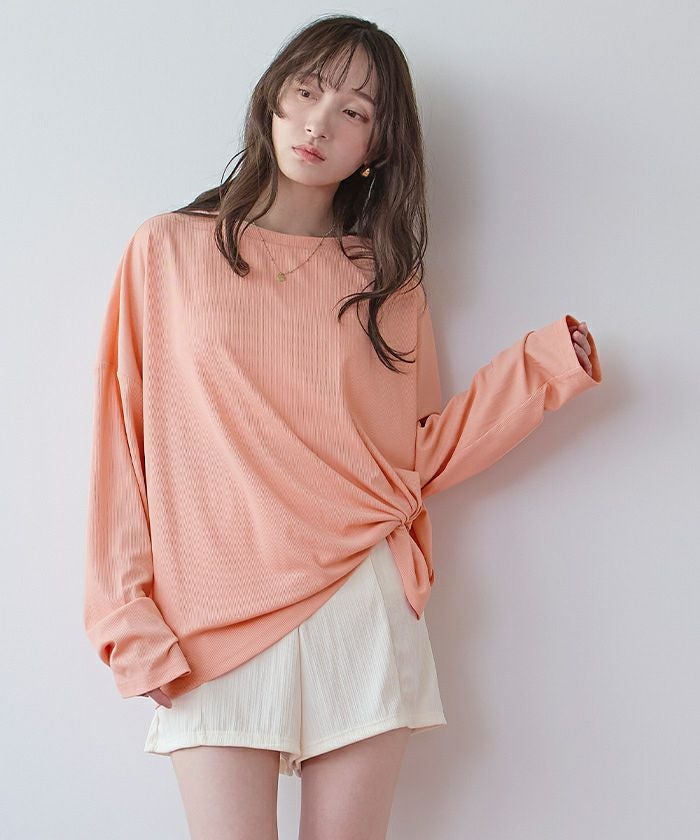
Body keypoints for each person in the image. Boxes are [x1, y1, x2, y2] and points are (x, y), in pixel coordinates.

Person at [83, 13, 603, 840]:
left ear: (377, 146)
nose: (320, 123)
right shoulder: (167, 251)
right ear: (273, 98)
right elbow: (124, 441)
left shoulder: (384, 281)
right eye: (308, 91)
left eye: (354, 111)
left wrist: (544, 368)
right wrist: (126, 622)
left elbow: (411, 456)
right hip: (210, 612)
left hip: (358, 600)